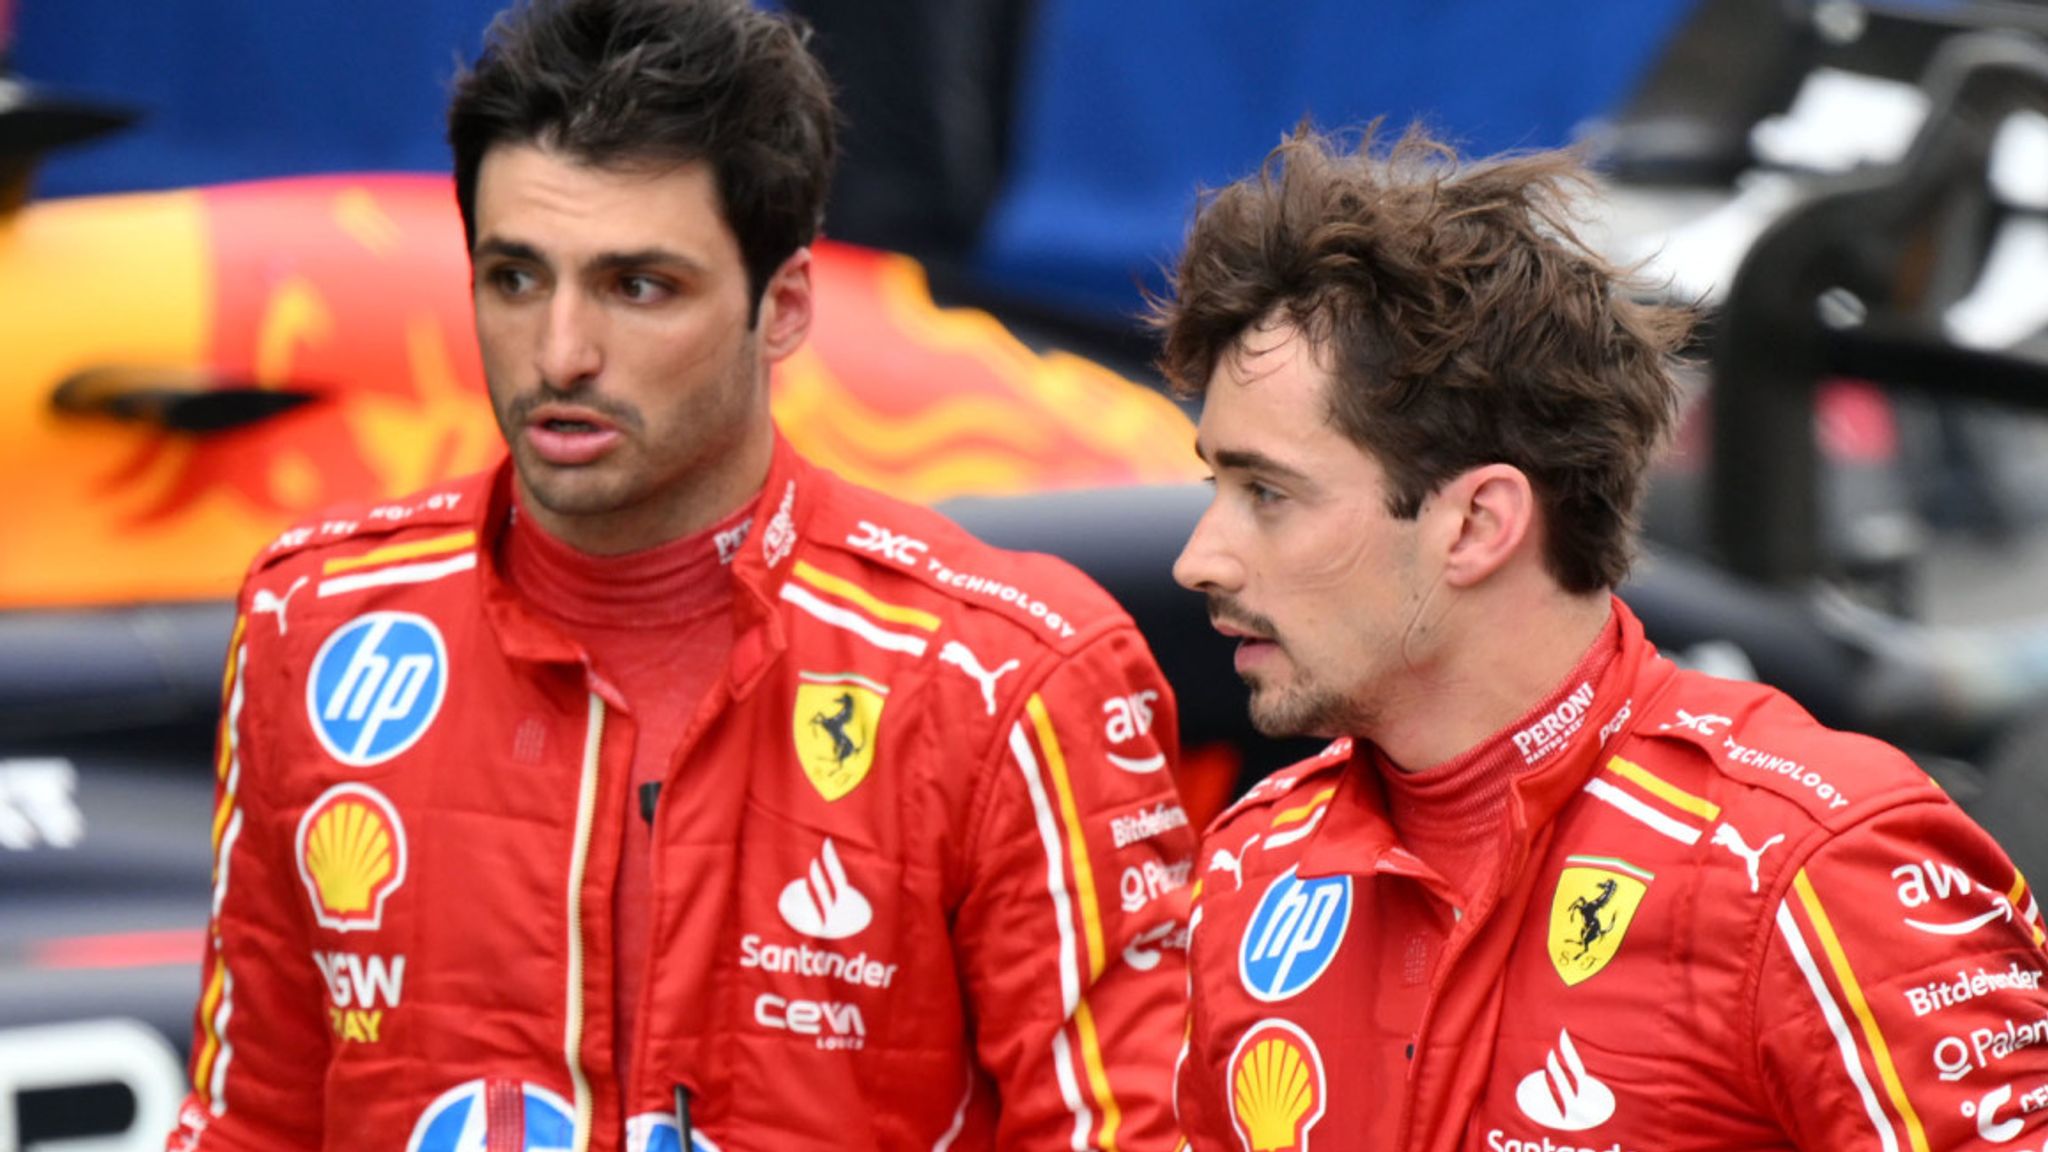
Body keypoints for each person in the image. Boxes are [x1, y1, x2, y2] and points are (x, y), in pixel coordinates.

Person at [167, 1, 1192, 1148]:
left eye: (637, 286)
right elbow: (251, 1122)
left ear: (785, 307)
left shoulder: (1007, 680)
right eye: (514, 277)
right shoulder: (314, 623)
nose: (560, 353)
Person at [1155, 123, 2048, 1152]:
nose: (1199, 559)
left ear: (1477, 524)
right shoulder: (1253, 864)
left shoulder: (1811, 865)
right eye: (1213, 485)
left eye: (1266, 493)